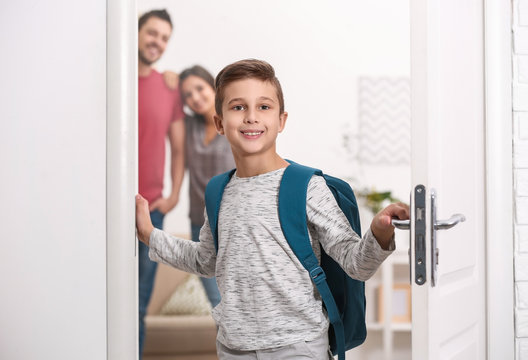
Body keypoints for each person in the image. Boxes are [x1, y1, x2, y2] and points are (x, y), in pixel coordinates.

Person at [135, 59, 409, 359]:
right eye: (238, 107)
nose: (251, 117)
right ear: (219, 123)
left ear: (281, 120)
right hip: (233, 348)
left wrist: (380, 233)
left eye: (264, 107)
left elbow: (356, 264)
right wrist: (150, 235)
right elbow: (207, 260)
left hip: (298, 347)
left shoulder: (306, 186)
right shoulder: (217, 191)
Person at [164, 65, 235, 307]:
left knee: (236, 301)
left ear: (213, 86)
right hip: (199, 224)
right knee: (216, 302)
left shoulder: (233, 120)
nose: (195, 98)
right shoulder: (188, 126)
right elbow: (166, 107)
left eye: (199, 89)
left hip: (233, 223)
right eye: (187, 95)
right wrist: (169, 80)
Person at [137, 9, 185, 357]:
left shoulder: (169, 88)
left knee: (138, 304)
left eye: (164, 37)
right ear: (136, 33)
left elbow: (179, 148)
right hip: (104, 207)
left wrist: (173, 197)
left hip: (152, 210)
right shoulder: (113, 78)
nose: (158, 42)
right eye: (152, 33)